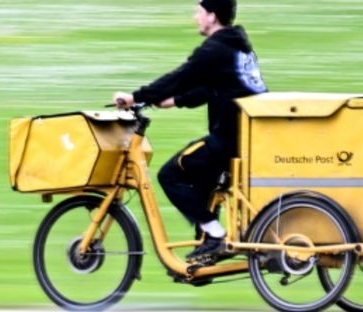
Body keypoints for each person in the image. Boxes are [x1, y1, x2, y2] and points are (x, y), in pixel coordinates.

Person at [113, 0, 267, 264]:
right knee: (202, 180)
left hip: (230, 139)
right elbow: (212, 88)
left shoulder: (215, 50)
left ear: (212, 15)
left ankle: (216, 235)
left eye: (199, 11)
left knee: (170, 175)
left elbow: (181, 77)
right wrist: (173, 101)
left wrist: (135, 96)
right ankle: (208, 246)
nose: (194, 17)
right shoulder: (236, 47)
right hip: (248, 134)